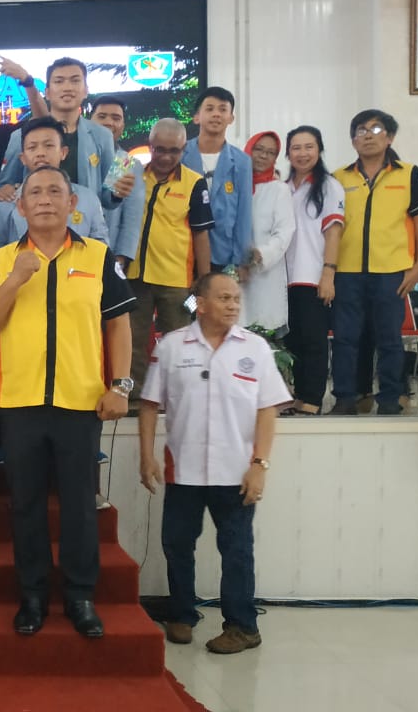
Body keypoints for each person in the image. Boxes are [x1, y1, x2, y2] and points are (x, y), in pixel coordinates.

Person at [0, 165, 135, 638]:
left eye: (54, 191)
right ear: (19, 207)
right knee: (26, 504)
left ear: (72, 203)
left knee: (79, 504)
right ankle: (33, 596)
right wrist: (15, 280)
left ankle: (80, 596)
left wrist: (120, 386)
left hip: (81, 402)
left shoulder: (98, 256)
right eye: (34, 193)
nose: (44, 199)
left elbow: (118, 324)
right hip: (19, 402)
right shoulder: (2, 260)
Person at [138, 272, 290, 654]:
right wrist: (146, 455)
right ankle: (181, 615)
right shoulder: (172, 346)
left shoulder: (255, 348)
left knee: (237, 551)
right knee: (177, 545)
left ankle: (242, 626)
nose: (233, 305)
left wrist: (260, 465)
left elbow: (267, 410)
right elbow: (150, 405)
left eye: (236, 298)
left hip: (236, 471)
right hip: (183, 470)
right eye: (224, 298)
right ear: (200, 304)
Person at [329, 110, 418, 415]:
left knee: (389, 338)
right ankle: (345, 398)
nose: (368, 136)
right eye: (361, 130)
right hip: (347, 271)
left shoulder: (408, 173)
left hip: (391, 271)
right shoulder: (338, 177)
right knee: (345, 338)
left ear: (390, 138)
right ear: (353, 140)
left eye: (376, 129)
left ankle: (390, 398)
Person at [125, 118, 214, 408]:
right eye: (159, 149)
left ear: (183, 149)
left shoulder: (194, 182)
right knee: (133, 340)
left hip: (177, 280)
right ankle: (135, 397)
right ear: (149, 146)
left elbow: (201, 233)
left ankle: (178, 397)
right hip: (133, 276)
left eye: (173, 151)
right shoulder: (129, 171)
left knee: (179, 341)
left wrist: (204, 281)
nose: (165, 157)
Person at [0, 58, 131, 211]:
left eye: (75, 81)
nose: (67, 87)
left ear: (86, 90)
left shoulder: (103, 136)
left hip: (85, 222)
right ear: (47, 92)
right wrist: (6, 190)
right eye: (59, 81)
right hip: (36, 221)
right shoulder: (20, 136)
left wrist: (117, 193)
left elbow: (108, 198)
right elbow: (2, 187)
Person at [282, 125, 345, 416]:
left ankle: (312, 399)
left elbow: (333, 232)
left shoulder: (329, 186)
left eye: (309, 147)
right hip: (284, 280)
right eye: (296, 148)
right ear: (288, 153)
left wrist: (328, 274)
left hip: (313, 276)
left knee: (313, 340)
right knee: (292, 340)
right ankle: (297, 395)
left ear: (319, 150)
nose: (303, 153)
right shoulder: (283, 187)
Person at [0, 116, 110, 247]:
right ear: (23, 158)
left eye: (48, 146)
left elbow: (102, 248)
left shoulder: (88, 199)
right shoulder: (5, 204)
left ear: (63, 152)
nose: (40, 153)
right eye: (32, 147)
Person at [181, 87, 253, 275]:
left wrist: (241, 261)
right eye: (210, 108)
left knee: (219, 296)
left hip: (223, 255)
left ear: (231, 118)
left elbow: (243, 215)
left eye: (222, 109)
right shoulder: (180, 154)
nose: (216, 114)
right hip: (183, 252)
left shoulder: (242, 162)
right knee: (188, 297)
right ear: (197, 117)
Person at [239, 132, 296, 332]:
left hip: (264, 275)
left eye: (271, 153)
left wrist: (260, 255)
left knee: (264, 329)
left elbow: (285, 231)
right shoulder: (234, 185)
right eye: (259, 149)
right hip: (233, 272)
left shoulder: (279, 189)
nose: (263, 156)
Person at [89, 95, 145, 260]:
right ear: (89, 121)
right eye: (102, 116)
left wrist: (121, 258)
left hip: (109, 254)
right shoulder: (74, 154)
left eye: (116, 118)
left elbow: (131, 219)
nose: (109, 122)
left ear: (122, 126)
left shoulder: (124, 162)